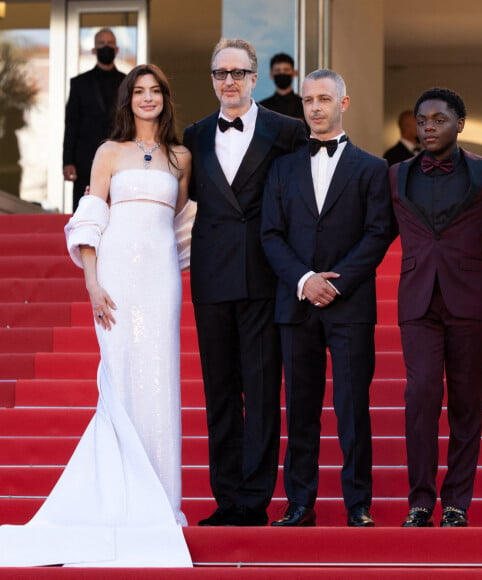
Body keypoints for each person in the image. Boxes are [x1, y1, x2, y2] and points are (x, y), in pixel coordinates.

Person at [0, 64, 195, 567]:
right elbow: (92, 216)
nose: (147, 98)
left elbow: (181, 223)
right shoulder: (108, 152)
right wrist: (92, 282)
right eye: (139, 92)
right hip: (114, 281)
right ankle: (116, 498)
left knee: (160, 384)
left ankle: (158, 504)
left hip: (162, 282)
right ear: (127, 100)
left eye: (155, 91)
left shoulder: (181, 156)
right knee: (121, 380)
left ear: (165, 99)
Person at [182, 38, 307, 527]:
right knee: (220, 391)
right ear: (212, 79)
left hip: (264, 275)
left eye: (237, 72)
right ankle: (227, 497)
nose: (228, 81)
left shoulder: (287, 130)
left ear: (254, 77)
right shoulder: (192, 135)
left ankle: (254, 500)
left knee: (259, 390)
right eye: (220, 73)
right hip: (211, 277)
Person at [261, 69, 393, 528]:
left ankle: (358, 504)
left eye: (323, 99)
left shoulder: (373, 168)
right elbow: (271, 234)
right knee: (300, 408)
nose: (314, 107)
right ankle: (300, 502)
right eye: (308, 100)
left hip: (350, 306)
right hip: (295, 304)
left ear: (344, 103)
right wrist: (304, 279)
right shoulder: (281, 168)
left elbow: (379, 233)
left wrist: (336, 283)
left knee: (353, 408)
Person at [389, 87, 482, 528]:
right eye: (422, 121)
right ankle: (420, 501)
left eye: (438, 119)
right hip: (417, 298)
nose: (429, 127)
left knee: (466, 403)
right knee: (420, 397)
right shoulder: (395, 174)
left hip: (470, 298)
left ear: (460, 122)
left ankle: (456, 502)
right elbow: (377, 231)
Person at [63, 27, 126, 211]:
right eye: (101, 44)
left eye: (110, 44)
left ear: (116, 50)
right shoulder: (79, 83)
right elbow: (71, 123)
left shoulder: (127, 82)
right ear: (94, 50)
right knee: (84, 212)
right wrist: (68, 161)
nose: (106, 47)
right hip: (85, 161)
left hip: (120, 159)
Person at [259, 52, 304, 119]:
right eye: (277, 70)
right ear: (271, 75)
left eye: (286, 70)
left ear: (294, 73)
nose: (282, 73)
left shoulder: (304, 106)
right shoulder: (262, 108)